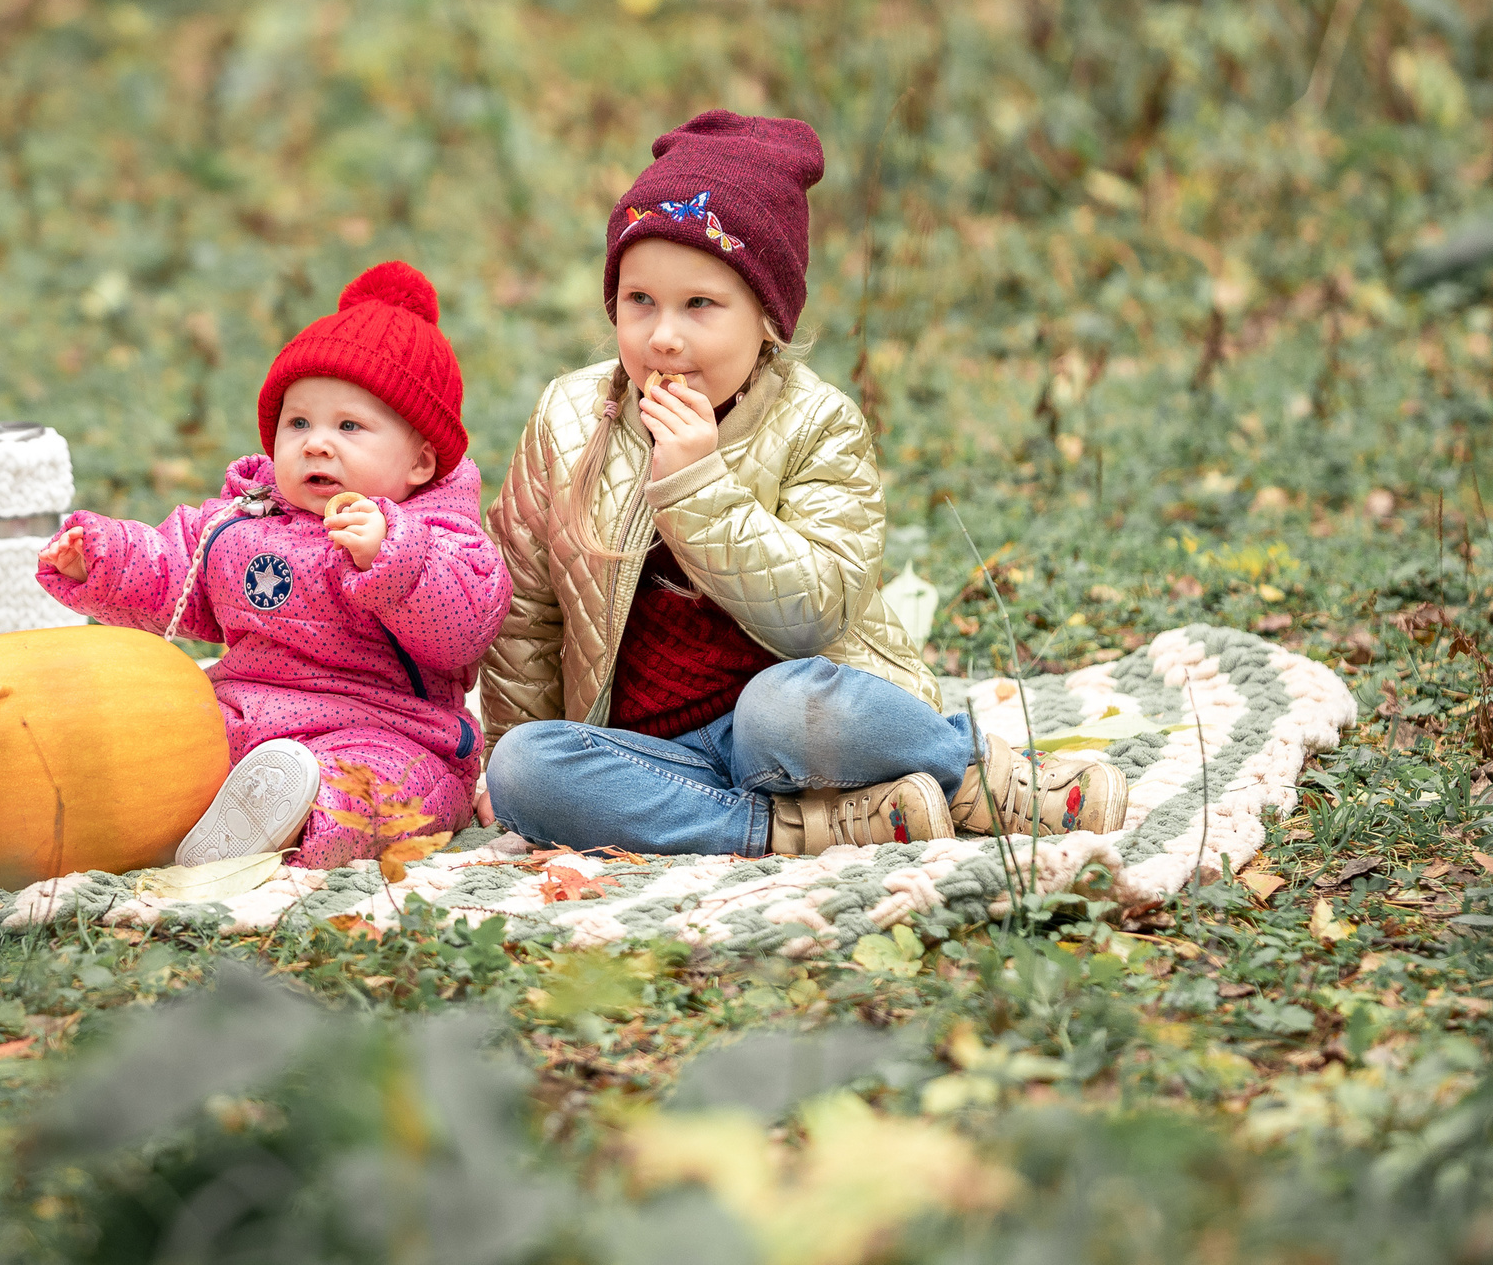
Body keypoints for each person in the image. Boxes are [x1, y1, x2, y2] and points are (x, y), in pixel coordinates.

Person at [477, 109, 1127, 854]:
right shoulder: (568, 418)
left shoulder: (819, 423)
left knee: (777, 708)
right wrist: (508, 758)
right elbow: (526, 614)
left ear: (767, 319)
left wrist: (697, 482)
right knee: (527, 765)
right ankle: (786, 830)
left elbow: (814, 611)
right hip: (661, 758)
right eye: (640, 301)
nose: (663, 334)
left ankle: (967, 773)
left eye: (701, 305)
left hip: (799, 730)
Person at [38, 262, 508, 869]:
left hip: (386, 729)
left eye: (349, 426)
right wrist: (100, 559)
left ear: (419, 462)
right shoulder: (241, 524)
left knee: (396, 795)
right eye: (299, 423)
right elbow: (170, 567)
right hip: (246, 714)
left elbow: (466, 623)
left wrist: (393, 554)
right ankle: (179, 811)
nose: (316, 443)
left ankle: (297, 821)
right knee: (171, 744)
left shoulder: (441, 538)